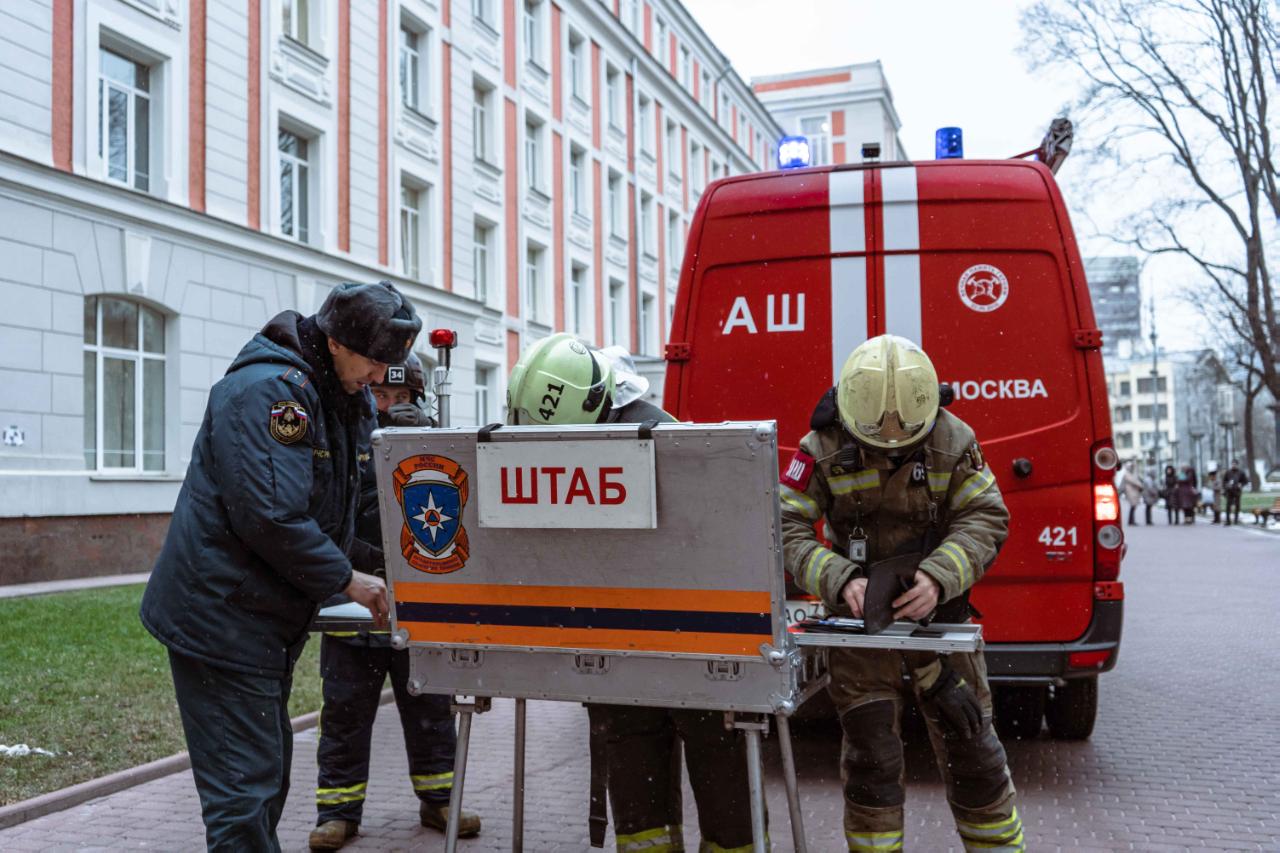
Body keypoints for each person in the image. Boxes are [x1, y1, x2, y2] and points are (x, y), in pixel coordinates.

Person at [140, 281, 421, 851]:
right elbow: (270, 516)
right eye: (373, 362)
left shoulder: (338, 394)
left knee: (263, 779)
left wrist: (402, 567)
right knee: (244, 794)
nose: (379, 377)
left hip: (257, 621)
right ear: (336, 342)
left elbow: (341, 515)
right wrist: (347, 579)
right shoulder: (271, 393)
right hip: (220, 619)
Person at [506, 334, 755, 853]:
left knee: (722, 784)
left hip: (694, 647)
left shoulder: (665, 441)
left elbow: (716, 545)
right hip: (623, 647)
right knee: (640, 801)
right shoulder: (584, 432)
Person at [779, 335, 1024, 852]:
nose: (890, 449)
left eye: (906, 441)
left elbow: (985, 516)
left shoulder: (953, 439)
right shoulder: (820, 448)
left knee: (976, 759)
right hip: (861, 634)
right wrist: (840, 578)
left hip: (941, 627)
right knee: (871, 765)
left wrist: (938, 576)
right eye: (874, 442)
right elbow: (783, 527)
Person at [308, 354, 482, 851]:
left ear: (419, 402)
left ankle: (440, 799)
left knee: (430, 709)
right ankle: (337, 813)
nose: (388, 406)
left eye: (401, 398)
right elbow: (325, 512)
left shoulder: (435, 447)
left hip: (417, 606)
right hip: (353, 599)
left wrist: (421, 445)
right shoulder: (341, 437)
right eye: (380, 395)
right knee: (344, 714)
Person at [1119, 461, 1144, 527]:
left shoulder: (1131, 474)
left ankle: (1132, 520)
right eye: (1131, 467)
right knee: (1133, 506)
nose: (1132, 468)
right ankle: (1131, 521)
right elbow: (1134, 481)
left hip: (1133, 491)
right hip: (1130, 492)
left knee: (1133, 506)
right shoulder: (1127, 474)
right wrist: (1141, 486)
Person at [1223, 459, 1247, 525]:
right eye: (1233, 464)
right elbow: (1224, 481)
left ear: (1237, 465)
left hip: (1237, 491)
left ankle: (1236, 520)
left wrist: (1241, 484)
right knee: (1228, 505)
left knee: (1237, 505)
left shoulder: (1241, 472)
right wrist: (1226, 485)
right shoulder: (1228, 472)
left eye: (1235, 464)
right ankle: (1228, 520)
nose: (1234, 465)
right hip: (1229, 491)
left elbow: (1245, 481)